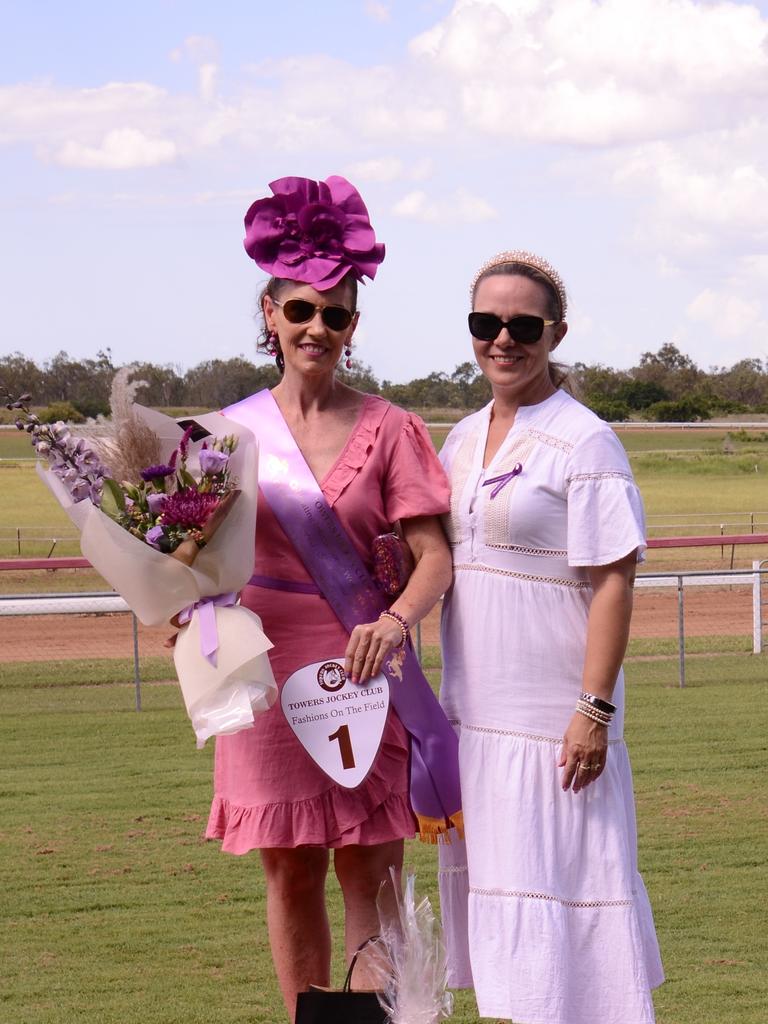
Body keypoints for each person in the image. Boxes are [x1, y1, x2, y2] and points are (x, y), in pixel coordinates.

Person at [204, 175, 455, 1020]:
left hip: (365, 671)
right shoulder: (226, 436)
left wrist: (393, 621)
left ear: (355, 324)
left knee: (372, 871)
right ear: (270, 315)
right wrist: (186, 604)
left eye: (336, 314)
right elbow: (195, 561)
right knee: (289, 867)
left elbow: (434, 560)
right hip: (265, 677)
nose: (318, 328)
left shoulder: (392, 428)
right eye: (301, 310)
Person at [437, 250, 664, 1023]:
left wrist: (593, 710)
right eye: (486, 322)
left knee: (565, 923)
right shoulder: (460, 440)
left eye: (523, 324)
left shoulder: (586, 441)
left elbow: (614, 581)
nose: (504, 338)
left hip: (554, 731)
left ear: (556, 333)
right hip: (472, 724)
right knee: (504, 931)